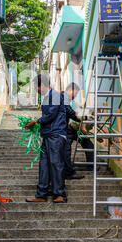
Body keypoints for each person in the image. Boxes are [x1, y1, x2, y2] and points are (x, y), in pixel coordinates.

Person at [25, 74, 68, 203]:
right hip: (48, 135)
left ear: (42, 85)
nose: (36, 90)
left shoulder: (55, 95)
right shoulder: (47, 97)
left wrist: (36, 121)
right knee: (43, 165)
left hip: (56, 135)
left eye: (36, 87)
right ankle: (41, 195)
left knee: (56, 163)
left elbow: (51, 114)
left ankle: (60, 194)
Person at [62, 82, 95, 179]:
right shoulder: (63, 98)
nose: (75, 96)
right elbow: (78, 118)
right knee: (66, 149)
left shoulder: (65, 99)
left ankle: (90, 165)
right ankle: (68, 171)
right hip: (71, 129)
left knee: (89, 145)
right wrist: (83, 128)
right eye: (75, 93)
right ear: (70, 90)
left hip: (77, 131)